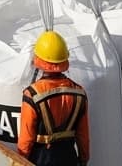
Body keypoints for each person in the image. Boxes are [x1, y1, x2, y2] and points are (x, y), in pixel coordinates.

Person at [18, 31, 90, 165]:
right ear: (64, 60)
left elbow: (26, 140)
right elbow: (83, 136)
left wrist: (19, 162)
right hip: (69, 158)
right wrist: (83, 160)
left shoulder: (32, 94)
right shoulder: (79, 93)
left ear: (39, 60)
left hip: (41, 159)